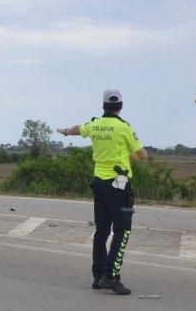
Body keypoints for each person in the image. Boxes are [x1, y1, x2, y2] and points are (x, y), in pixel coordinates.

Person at [56, 89, 148, 295]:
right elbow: (143, 155)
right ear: (120, 106)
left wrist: (64, 131)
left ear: (103, 106)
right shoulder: (124, 127)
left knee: (102, 230)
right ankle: (111, 276)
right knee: (122, 230)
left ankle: (98, 277)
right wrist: (129, 156)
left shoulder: (95, 125)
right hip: (119, 185)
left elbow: (78, 129)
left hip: (99, 183)